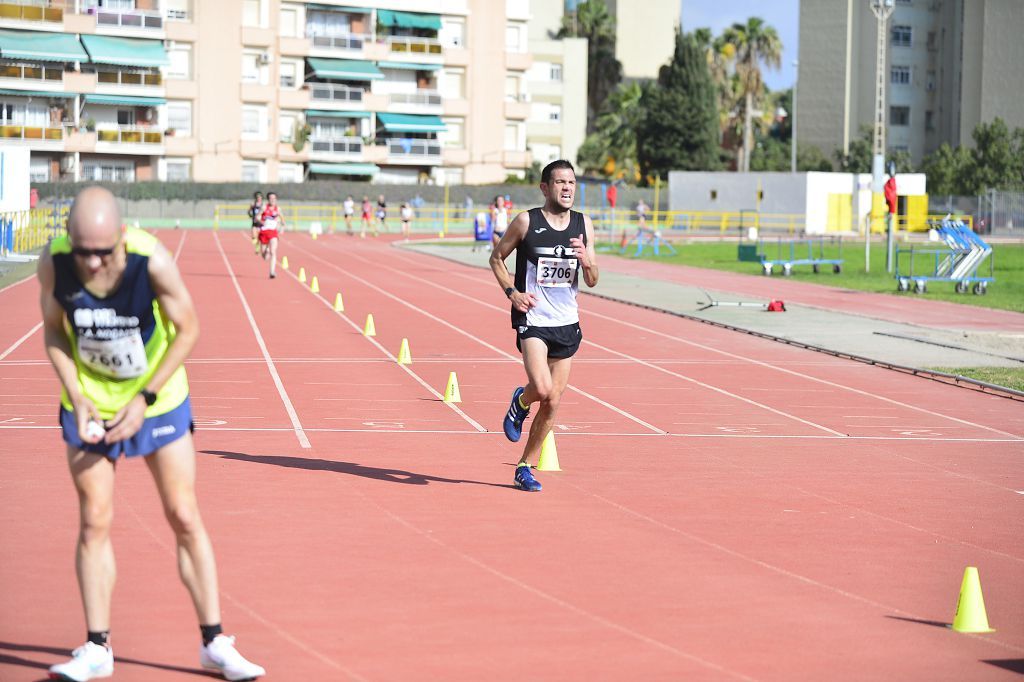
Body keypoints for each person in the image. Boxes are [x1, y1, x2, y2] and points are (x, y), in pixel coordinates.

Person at [37, 187, 265, 681]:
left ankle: (214, 642)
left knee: (183, 513)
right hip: (90, 398)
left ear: (121, 236)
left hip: (157, 395)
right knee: (94, 519)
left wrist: (146, 399)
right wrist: (75, 393)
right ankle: (97, 648)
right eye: (83, 252)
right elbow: (54, 330)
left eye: (103, 252)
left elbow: (188, 329)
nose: (93, 264)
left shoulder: (151, 261)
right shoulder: (55, 262)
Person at [488, 160, 599, 492]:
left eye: (572, 183)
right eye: (560, 182)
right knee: (543, 387)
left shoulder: (584, 225)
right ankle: (521, 401)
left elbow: (592, 280)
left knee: (553, 402)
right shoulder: (526, 221)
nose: (567, 188)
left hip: (567, 321)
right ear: (545, 187)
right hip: (533, 318)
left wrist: (587, 260)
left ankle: (524, 467)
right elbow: (497, 258)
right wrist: (512, 293)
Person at [258, 191, 284, 279]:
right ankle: (266, 250)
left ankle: (272, 272)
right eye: (271, 198)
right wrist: (262, 222)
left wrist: (281, 226)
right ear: (268, 199)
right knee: (264, 256)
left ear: (276, 199)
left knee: (273, 251)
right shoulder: (264, 207)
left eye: (274, 198)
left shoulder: (278, 209)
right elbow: (257, 218)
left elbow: (282, 220)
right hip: (264, 232)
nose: (273, 200)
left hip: (273, 232)